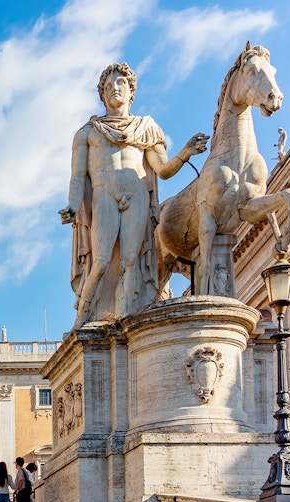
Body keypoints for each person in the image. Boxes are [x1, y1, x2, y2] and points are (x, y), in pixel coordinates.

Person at [59, 62, 208, 325]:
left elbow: (162, 169)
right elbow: (78, 176)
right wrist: (72, 207)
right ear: (102, 95)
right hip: (104, 193)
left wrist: (184, 153)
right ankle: (82, 319)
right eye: (107, 86)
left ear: (131, 92)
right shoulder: (87, 133)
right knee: (102, 261)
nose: (114, 88)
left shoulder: (146, 128)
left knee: (131, 261)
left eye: (120, 84)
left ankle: (126, 321)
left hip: (137, 193)